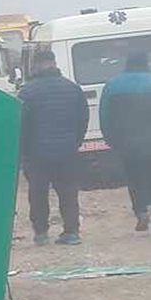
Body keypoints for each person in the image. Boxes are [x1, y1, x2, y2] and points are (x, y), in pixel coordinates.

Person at [99, 52, 151, 237]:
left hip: (126, 143)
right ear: (145, 64)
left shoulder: (112, 85)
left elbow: (104, 116)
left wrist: (110, 138)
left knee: (134, 179)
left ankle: (141, 211)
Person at [18, 49, 89, 245]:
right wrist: (75, 142)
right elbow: (83, 119)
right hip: (67, 151)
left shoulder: (27, 92)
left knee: (38, 194)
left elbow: (21, 124)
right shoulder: (73, 88)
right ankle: (71, 232)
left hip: (37, 153)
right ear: (54, 62)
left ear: (36, 65)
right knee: (68, 192)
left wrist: (23, 151)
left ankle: (41, 233)